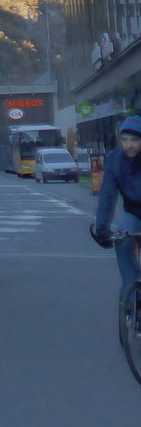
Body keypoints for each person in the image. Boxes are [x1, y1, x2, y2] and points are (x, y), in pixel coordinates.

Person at [93, 115, 141, 295]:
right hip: (134, 213)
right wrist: (102, 228)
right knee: (122, 239)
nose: (128, 145)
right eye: (124, 140)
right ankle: (131, 291)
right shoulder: (114, 159)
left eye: (135, 140)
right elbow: (107, 194)